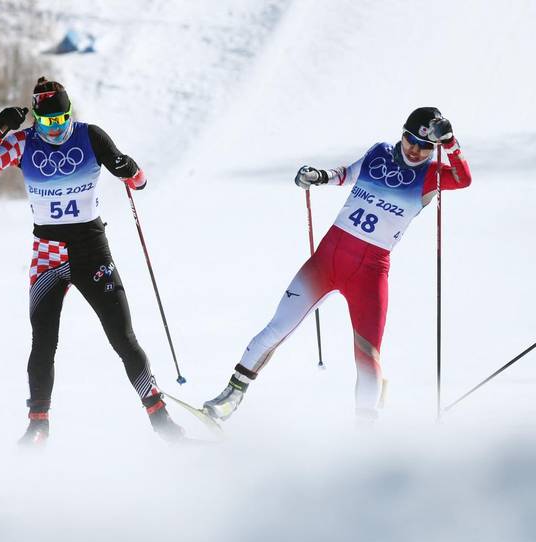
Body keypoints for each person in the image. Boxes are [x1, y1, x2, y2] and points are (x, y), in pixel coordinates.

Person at [202, 107, 472, 423]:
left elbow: (463, 179)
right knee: (276, 329)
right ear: (402, 134)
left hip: (370, 274)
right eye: (411, 140)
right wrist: (318, 176)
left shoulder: (431, 175)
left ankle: (364, 435)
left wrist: (450, 142)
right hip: (328, 260)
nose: (416, 150)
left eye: (426, 146)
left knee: (367, 356)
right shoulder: (378, 153)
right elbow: (346, 174)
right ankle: (230, 398)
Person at [0, 77, 184, 444]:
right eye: (47, 123)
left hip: (91, 250)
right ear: (36, 119)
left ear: (71, 114)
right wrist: (0, 129)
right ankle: (38, 424)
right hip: (47, 255)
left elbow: (140, 182)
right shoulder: (23, 143)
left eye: (61, 121)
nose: (55, 130)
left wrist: (128, 167)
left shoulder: (90, 136)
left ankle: (160, 418)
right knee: (43, 341)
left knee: (122, 337)